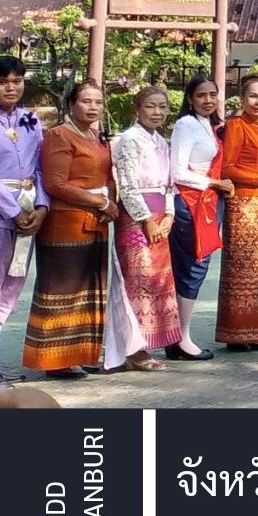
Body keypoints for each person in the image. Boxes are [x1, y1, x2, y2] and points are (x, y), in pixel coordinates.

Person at [22, 81, 114, 377]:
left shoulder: (97, 137)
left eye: (98, 102)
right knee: (63, 291)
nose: (92, 107)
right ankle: (55, 360)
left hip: (95, 224)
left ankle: (81, 354)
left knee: (88, 292)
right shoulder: (59, 135)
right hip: (65, 224)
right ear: (71, 104)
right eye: (86, 101)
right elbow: (55, 184)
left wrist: (108, 203)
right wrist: (99, 202)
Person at [0, 55, 47, 390]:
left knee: (11, 288)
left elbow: (41, 167)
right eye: (2, 81)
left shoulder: (31, 120)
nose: (11, 87)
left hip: (28, 215)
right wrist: (13, 211)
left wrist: (42, 207)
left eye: (17, 80)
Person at [106, 87, 177, 370]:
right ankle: (132, 348)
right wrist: (146, 219)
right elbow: (127, 184)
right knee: (137, 281)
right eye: (150, 106)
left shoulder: (162, 141)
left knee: (158, 281)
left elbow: (170, 183)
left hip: (160, 214)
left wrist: (169, 214)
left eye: (162, 107)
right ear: (138, 107)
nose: (157, 112)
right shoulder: (129, 140)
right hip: (137, 218)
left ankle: (146, 342)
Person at [213, 74, 258, 350]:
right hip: (242, 204)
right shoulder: (235, 126)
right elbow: (226, 168)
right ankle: (235, 333)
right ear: (242, 99)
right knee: (241, 268)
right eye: (253, 96)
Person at [169, 73, 229, 359]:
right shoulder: (185, 125)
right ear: (190, 99)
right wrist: (214, 183)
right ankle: (181, 338)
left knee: (198, 266)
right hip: (190, 202)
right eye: (201, 96)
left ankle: (178, 335)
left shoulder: (210, 125)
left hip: (208, 201)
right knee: (191, 266)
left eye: (212, 94)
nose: (208, 100)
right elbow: (177, 171)